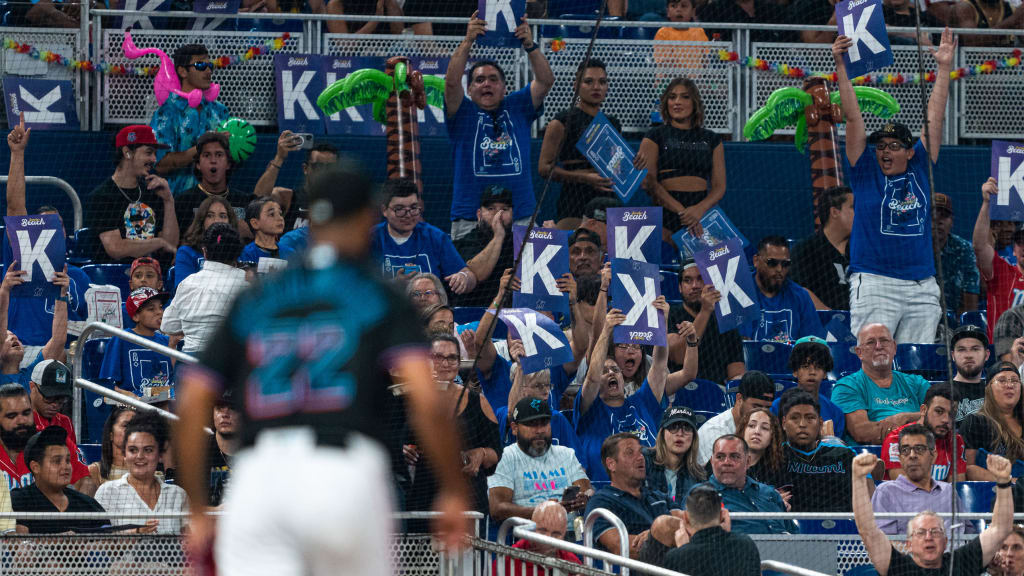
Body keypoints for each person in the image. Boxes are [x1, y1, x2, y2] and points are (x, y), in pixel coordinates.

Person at [174, 164, 472, 576]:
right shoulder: (377, 293)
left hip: (259, 480)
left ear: (310, 218)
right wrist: (454, 492)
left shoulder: (258, 297)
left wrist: (197, 510)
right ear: (369, 217)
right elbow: (426, 398)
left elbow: (191, 403)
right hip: (345, 475)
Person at [832, 29, 954, 344]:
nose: (885, 151)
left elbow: (935, 120)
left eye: (894, 146)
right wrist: (841, 67)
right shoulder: (864, 170)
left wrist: (943, 69)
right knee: (874, 363)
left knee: (915, 370)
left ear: (909, 151)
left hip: (921, 286)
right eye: (881, 146)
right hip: (874, 283)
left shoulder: (921, 166)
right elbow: (853, 118)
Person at [444, 12, 554, 240]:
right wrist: (468, 41)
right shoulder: (461, 112)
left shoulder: (518, 106)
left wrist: (530, 45)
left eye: (493, 79)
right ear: (470, 89)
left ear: (505, 87)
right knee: (468, 275)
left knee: (522, 276)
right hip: (469, 218)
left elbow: (545, 81)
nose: (487, 84)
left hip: (521, 216)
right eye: (479, 80)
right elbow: (452, 81)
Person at [851, 449, 1012, 576]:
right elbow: (868, 531)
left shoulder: (962, 562)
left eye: (935, 532)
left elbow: (1000, 529)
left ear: (945, 540)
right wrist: (858, 479)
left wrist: (1004, 482)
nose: (929, 537)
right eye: (921, 533)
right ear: (909, 544)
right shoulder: (898, 567)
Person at [575, 302, 688, 481]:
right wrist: (606, 330)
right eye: (605, 371)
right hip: (606, 490)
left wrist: (661, 321)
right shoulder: (590, 408)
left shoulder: (641, 401)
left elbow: (659, 364)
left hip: (651, 487)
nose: (612, 373)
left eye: (615, 370)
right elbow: (592, 377)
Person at [404, 334, 502, 521]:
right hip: (424, 495)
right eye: (438, 357)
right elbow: (395, 439)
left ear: (459, 362)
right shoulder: (409, 399)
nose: (445, 363)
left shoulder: (478, 402)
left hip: (468, 498)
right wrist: (403, 450)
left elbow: (496, 451)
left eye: (451, 358)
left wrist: (480, 453)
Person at [634, 77, 725, 234]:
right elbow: (648, 183)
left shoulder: (712, 138)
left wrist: (699, 210)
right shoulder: (654, 135)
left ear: (694, 102)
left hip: (700, 215)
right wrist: (683, 212)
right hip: (667, 213)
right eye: (672, 97)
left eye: (685, 97)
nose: (677, 102)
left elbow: (719, 187)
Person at [537, 58, 621, 223]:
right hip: (574, 197)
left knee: (608, 248)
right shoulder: (562, 121)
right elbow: (543, 168)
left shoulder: (613, 123)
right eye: (588, 81)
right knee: (574, 246)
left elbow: (617, 165)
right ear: (575, 86)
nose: (596, 87)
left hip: (608, 197)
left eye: (602, 82)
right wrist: (584, 178)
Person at [487, 397, 592, 524]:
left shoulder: (566, 454)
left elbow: (587, 490)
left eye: (544, 423)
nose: (540, 430)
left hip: (570, 533)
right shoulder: (505, 457)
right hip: (526, 535)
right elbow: (497, 509)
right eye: (532, 424)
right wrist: (544, 511)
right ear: (514, 428)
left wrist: (585, 498)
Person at [84, 125, 178, 264]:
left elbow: (170, 245)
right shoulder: (102, 197)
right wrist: (157, 243)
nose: (154, 159)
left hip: (153, 276)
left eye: (154, 154)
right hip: (112, 279)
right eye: (148, 152)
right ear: (127, 152)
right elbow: (116, 248)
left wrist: (168, 200)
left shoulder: (153, 191)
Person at [584, 433, 682, 558]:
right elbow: (620, 547)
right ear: (611, 464)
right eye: (630, 453)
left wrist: (658, 535)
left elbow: (689, 525)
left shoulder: (659, 497)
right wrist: (659, 534)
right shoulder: (601, 502)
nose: (640, 457)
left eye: (640, 452)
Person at [150, 44, 230, 196]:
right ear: (182, 71)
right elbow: (159, 164)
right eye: (200, 65)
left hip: (216, 202)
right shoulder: (167, 112)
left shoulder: (220, 111)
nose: (208, 71)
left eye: (209, 65)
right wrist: (204, 146)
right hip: (177, 202)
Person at [371, 179, 476, 294]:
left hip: (430, 310)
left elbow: (469, 276)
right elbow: (355, 288)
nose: (408, 215)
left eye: (414, 208)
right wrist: (396, 284)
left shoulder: (435, 237)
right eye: (399, 209)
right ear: (384, 210)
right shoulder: (370, 239)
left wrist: (463, 278)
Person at [831, 323, 931, 444]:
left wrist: (905, 418)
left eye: (884, 340)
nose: (878, 346)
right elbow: (862, 432)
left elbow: (939, 417)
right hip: (872, 459)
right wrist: (919, 420)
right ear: (859, 352)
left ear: (894, 347)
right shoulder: (847, 386)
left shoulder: (917, 383)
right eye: (870, 342)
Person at [95, 411, 189, 534]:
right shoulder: (107, 492)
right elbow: (97, 545)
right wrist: (136, 533)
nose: (140, 456)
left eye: (148, 450)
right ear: (124, 454)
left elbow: (191, 543)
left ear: (160, 454)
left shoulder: (177, 495)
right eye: (133, 450)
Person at [162, 223, 249, 354]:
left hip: (191, 365)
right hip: (229, 366)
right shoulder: (247, 284)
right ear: (237, 254)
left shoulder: (188, 283)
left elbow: (168, 325)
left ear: (204, 252)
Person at [872, 423, 967, 535]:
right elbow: (884, 543)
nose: (912, 455)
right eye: (905, 450)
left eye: (919, 449)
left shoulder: (949, 491)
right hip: (905, 552)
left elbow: (966, 535)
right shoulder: (886, 492)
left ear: (933, 456)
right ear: (900, 458)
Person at [11, 426, 108, 534]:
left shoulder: (88, 504)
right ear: (36, 467)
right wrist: (59, 541)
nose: (65, 466)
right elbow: (19, 545)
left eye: (67, 460)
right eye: (57, 461)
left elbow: (108, 542)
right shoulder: (19, 500)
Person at [668, 259, 746, 384]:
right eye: (688, 280)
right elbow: (679, 357)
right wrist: (705, 311)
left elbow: (736, 371)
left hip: (716, 395)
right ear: (680, 288)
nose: (695, 286)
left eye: (701, 279)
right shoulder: (669, 315)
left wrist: (737, 382)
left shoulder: (725, 321)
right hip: (677, 393)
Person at [779, 390, 856, 512]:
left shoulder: (845, 455)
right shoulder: (774, 457)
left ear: (820, 423)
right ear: (784, 423)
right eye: (795, 418)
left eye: (810, 418)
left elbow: (866, 500)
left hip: (843, 527)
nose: (802, 424)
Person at [661, 483, 761, 576]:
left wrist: (683, 550)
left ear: (686, 518)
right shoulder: (746, 545)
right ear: (722, 515)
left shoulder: (675, 558)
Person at [702, 435, 795, 534]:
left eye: (734, 457)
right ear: (712, 461)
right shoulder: (700, 496)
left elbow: (795, 535)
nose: (727, 462)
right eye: (720, 457)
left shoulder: (770, 493)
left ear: (748, 461)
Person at [740, 235, 825, 342]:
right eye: (772, 263)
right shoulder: (740, 293)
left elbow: (814, 342)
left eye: (785, 264)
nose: (779, 269)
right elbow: (741, 344)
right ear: (756, 261)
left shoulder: (800, 296)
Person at [27, 359, 94, 495]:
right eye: (49, 397)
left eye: (60, 399)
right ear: (32, 387)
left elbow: (83, 477)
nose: (55, 405)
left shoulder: (65, 422)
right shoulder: (20, 423)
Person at [0, 262, 70, 390]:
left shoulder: (31, 375)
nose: (14, 337)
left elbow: (58, 341)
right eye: (6, 337)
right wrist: (4, 290)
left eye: (14, 335)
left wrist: (61, 294)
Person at [98, 287, 175, 401]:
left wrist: (173, 344)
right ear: (136, 316)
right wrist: (131, 398)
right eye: (151, 309)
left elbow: (175, 383)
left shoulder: (167, 341)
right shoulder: (122, 339)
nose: (159, 312)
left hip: (162, 400)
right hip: (132, 404)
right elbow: (106, 387)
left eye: (160, 307)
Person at [881, 383, 967, 483]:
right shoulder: (897, 439)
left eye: (952, 414)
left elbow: (956, 488)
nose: (946, 420)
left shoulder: (955, 441)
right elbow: (905, 488)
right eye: (939, 411)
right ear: (923, 410)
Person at [253, 135, 339, 232]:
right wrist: (279, 158)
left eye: (330, 167)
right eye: (318, 166)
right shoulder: (287, 198)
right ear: (305, 169)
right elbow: (256, 201)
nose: (324, 172)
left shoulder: (343, 205)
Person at [974, 177, 1024, 341]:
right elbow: (980, 246)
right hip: (1002, 359)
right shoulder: (1003, 272)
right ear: (1014, 250)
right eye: (1020, 242)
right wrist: (987, 204)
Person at [173, 131, 250, 236]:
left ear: (228, 164)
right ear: (198, 164)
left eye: (219, 155)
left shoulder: (243, 200)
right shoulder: (183, 202)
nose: (213, 160)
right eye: (207, 155)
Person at [790, 186, 853, 311]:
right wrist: (835, 322)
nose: (862, 213)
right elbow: (799, 291)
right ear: (835, 212)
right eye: (853, 207)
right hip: (821, 325)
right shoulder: (805, 250)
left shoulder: (861, 252)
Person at [770, 336, 845, 438]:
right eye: (805, 367)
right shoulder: (777, 406)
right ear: (795, 371)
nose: (812, 372)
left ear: (825, 374)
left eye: (818, 367)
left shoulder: (836, 412)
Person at [451, 185, 514, 307]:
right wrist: (498, 236)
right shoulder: (464, 243)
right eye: (491, 208)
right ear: (479, 214)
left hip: (512, 313)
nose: (498, 214)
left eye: (505, 209)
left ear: (512, 214)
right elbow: (476, 275)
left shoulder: (521, 242)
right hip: (473, 312)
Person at [696, 370, 775, 466]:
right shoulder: (715, 432)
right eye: (756, 407)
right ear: (739, 399)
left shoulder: (763, 430)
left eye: (767, 408)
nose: (761, 414)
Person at [961, 362, 1024, 481]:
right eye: (1002, 380)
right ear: (989, 388)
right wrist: (1012, 482)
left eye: (1015, 380)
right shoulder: (975, 422)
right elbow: (969, 468)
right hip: (992, 494)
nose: (1009, 385)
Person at [491, 501, 584, 575]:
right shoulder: (508, 560)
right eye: (543, 531)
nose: (548, 539)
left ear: (564, 533)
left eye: (556, 534)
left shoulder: (570, 560)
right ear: (531, 527)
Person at [173, 195, 243, 291]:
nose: (216, 220)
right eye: (210, 216)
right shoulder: (186, 252)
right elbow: (182, 289)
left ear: (230, 222)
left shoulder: (236, 250)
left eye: (222, 216)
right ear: (202, 220)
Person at [645, 406, 708, 503]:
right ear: (662, 433)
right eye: (673, 427)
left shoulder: (698, 476)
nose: (680, 433)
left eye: (686, 428)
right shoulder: (644, 461)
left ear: (693, 437)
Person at [932, 192, 980, 318]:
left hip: (954, 319)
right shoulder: (913, 247)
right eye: (932, 215)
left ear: (952, 222)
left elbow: (970, 299)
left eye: (944, 216)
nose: (938, 221)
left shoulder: (963, 249)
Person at [652, 0, 709, 72]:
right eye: (673, 6)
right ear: (668, 12)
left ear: (693, 12)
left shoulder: (699, 31)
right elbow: (662, 63)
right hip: (669, 78)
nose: (678, 10)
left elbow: (706, 60)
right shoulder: (662, 33)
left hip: (695, 79)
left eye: (684, 6)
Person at [950, 324, 991, 421]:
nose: (968, 355)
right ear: (953, 355)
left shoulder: (995, 390)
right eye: (961, 349)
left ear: (986, 355)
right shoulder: (941, 392)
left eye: (975, 349)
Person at [738, 407, 786, 488]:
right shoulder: (723, 458)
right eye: (751, 425)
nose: (757, 431)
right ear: (743, 430)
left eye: (764, 428)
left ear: (773, 436)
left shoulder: (779, 468)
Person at [87, 406, 135, 488]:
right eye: (126, 425)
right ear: (111, 434)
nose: (132, 430)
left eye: (136, 426)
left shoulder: (147, 470)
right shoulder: (94, 471)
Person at [951, 0, 1024, 46]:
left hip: (1007, 67)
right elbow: (971, 41)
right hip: (972, 66)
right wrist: (1012, 21)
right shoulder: (965, 7)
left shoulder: (1011, 9)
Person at [239, 197, 286, 266]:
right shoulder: (246, 253)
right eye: (272, 214)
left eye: (280, 214)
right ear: (255, 223)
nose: (280, 218)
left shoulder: (290, 253)